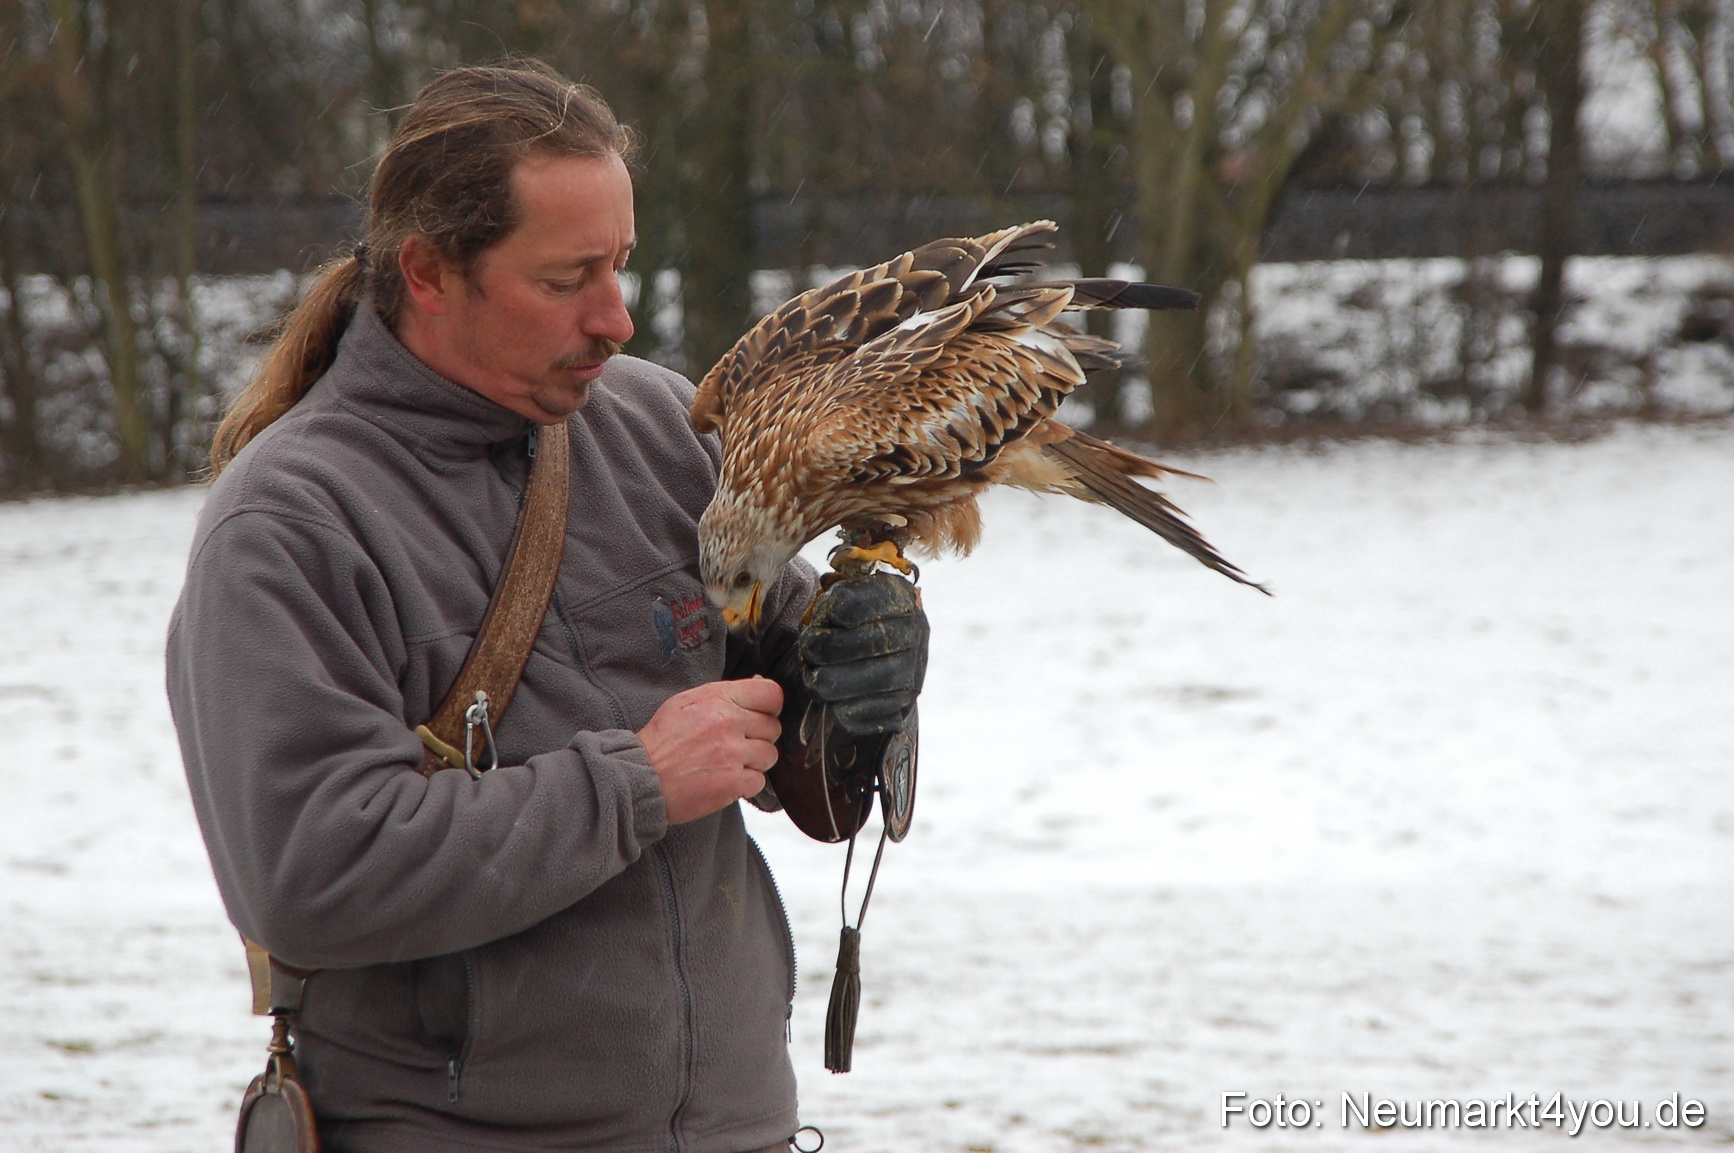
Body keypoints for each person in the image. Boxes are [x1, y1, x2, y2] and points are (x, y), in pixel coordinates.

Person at [166, 62, 926, 1153]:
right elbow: (309, 876)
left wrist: (864, 681)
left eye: (620, 265)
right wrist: (637, 783)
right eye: (568, 278)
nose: (616, 317)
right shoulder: (292, 524)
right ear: (429, 272)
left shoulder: (666, 431)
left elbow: (812, 759)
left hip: (738, 1127)